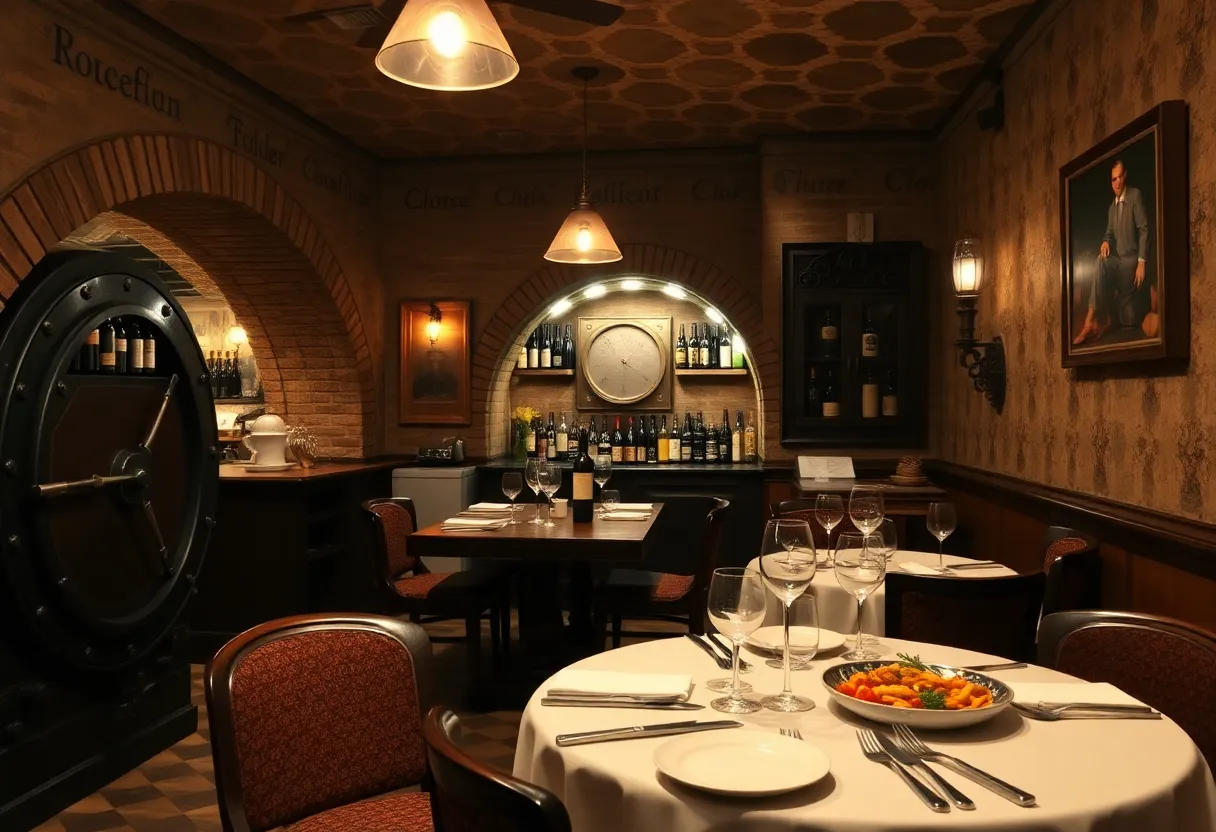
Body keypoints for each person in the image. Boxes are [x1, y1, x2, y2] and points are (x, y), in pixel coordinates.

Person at [1073, 159, 1150, 345]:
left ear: (1125, 176)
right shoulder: (1111, 208)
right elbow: (1108, 234)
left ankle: (1096, 321)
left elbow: (1144, 229)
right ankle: (1090, 321)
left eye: (1119, 177)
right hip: (1119, 262)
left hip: (1132, 260)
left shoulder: (1135, 196)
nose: (1116, 183)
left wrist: (1142, 261)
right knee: (1101, 260)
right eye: (1113, 179)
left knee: (1128, 317)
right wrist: (1105, 242)